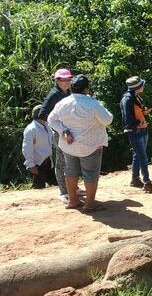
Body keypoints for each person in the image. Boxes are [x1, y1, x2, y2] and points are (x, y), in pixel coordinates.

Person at [48, 75, 113, 212]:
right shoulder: (92, 103)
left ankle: (73, 201)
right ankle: (89, 204)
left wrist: (63, 130)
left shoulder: (62, 103)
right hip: (90, 145)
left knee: (70, 171)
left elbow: (51, 119)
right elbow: (107, 120)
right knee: (90, 173)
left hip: (69, 145)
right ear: (86, 89)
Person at [39, 68, 76, 202]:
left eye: (68, 79)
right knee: (61, 163)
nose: (66, 82)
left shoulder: (69, 92)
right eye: (63, 80)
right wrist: (58, 124)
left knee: (71, 161)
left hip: (71, 131)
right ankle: (63, 192)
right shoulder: (53, 95)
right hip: (60, 133)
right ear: (56, 80)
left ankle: (73, 188)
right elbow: (42, 115)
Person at [120, 76, 152, 193]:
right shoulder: (128, 99)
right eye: (142, 84)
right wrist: (138, 122)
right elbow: (128, 118)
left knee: (138, 155)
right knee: (143, 157)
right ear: (137, 87)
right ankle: (146, 182)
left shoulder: (135, 97)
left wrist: (144, 111)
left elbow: (135, 112)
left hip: (142, 129)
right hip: (135, 131)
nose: (143, 86)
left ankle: (135, 179)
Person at [22, 105, 57, 189]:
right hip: (38, 164)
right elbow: (26, 148)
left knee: (57, 186)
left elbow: (52, 140)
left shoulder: (47, 126)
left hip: (49, 162)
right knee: (39, 189)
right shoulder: (31, 129)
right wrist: (31, 165)